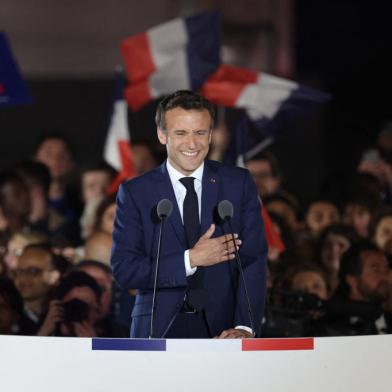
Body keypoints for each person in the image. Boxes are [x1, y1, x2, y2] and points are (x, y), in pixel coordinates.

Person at [111, 90, 267, 339]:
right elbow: (125, 270)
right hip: (157, 331)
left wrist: (244, 325)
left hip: (224, 332)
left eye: (200, 133)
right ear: (162, 135)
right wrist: (190, 260)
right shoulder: (135, 193)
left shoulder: (237, 184)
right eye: (181, 133)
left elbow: (252, 260)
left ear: (211, 134)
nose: (192, 144)